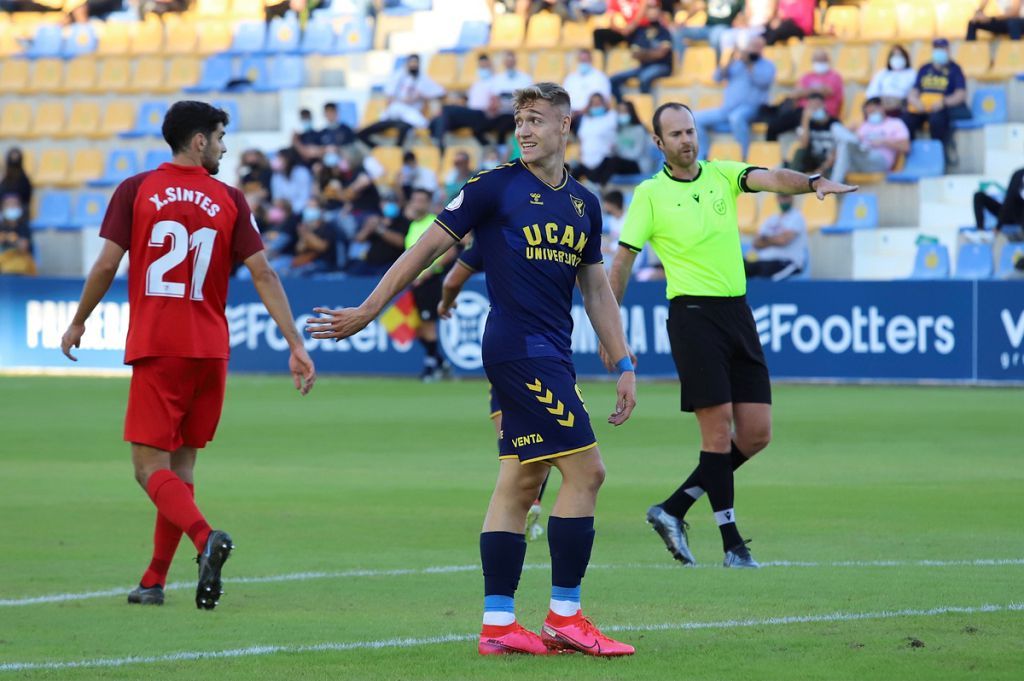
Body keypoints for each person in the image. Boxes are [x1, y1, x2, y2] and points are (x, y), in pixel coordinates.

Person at [307, 82, 637, 657]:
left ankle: (498, 624)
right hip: (518, 349)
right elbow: (424, 251)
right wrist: (369, 309)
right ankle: (565, 615)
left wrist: (624, 360)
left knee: (521, 481)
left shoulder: (584, 203)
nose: (524, 129)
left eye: (536, 119)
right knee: (588, 474)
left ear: (566, 125)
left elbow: (596, 291)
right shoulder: (493, 187)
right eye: (519, 120)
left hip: (553, 351)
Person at [59, 101, 316, 609]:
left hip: (160, 346)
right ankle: (153, 580)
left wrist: (79, 318)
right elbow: (265, 273)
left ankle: (204, 540)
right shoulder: (230, 199)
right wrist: (295, 342)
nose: (224, 146)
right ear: (198, 141)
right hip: (210, 351)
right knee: (181, 469)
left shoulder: (136, 190)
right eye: (220, 136)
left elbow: (107, 264)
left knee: (146, 467)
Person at [605, 102, 855, 569]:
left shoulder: (721, 174)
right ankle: (732, 545)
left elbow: (772, 177)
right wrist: (610, 329)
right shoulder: (650, 194)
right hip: (693, 317)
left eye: (690, 131)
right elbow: (622, 263)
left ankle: (673, 509)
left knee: (757, 433)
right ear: (658, 143)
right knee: (717, 433)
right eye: (676, 134)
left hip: (737, 314)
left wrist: (813, 183)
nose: (686, 140)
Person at [438, 239, 550, 542]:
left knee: (510, 440)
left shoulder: (488, 240)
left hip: (507, 347)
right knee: (553, 435)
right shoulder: (549, 228)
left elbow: (452, 280)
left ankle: (514, 513)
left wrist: (446, 303)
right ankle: (534, 502)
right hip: (551, 346)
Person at [399, 188, 454, 381]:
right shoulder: (414, 225)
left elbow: (449, 252)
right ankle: (441, 362)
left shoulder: (435, 222)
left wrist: (428, 272)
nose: (418, 204)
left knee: (428, 324)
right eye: (415, 200)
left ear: (428, 203)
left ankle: (431, 368)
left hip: (429, 281)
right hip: (415, 283)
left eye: (422, 200)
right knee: (415, 326)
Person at [695, 35, 775, 161]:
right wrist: (729, 60)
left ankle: (743, 157)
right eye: (752, 46)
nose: (754, 49)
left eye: (757, 47)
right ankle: (702, 158)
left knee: (736, 117)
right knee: (694, 118)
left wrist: (749, 65)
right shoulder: (737, 63)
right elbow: (717, 77)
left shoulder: (767, 65)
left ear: (762, 49)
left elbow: (763, 81)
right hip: (726, 109)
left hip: (752, 109)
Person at [902, 38, 971, 166]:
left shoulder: (955, 69)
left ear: (948, 50)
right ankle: (909, 157)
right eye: (937, 48)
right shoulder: (924, 68)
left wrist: (943, 102)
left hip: (941, 107)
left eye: (943, 49)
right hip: (923, 107)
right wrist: (915, 101)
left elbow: (960, 94)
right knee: (906, 119)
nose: (940, 51)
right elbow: (914, 90)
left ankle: (938, 155)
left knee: (937, 120)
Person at [358, 55, 445, 148]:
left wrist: (421, 96)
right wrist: (401, 100)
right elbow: (389, 96)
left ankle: (396, 152)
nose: (413, 65)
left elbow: (440, 92)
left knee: (413, 126)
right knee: (363, 132)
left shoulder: (423, 79)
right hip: (395, 112)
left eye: (415, 63)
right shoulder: (399, 75)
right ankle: (377, 149)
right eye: (411, 63)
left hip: (410, 115)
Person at [765, 47, 844, 142]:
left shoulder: (835, 77)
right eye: (817, 60)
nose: (820, 62)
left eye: (823, 60)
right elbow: (795, 94)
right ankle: (772, 154)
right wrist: (816, 90)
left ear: (828, 61)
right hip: (802, 111)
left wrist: (805, 92)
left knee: (807, 127)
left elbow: (827, 91)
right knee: (773, 126)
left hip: (823, 114)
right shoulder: (807, 76)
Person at [830, 97, 910, 184]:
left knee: (847, 143)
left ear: (882, 108)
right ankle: (834, 187)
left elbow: (906, 147)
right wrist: (849, 131)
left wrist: (884, 141)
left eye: (873, 111)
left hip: (880, 160)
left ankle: (833, 187)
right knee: (836, 128)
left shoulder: (895, 123)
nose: (871, 115)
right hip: (860, 156)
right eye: (869, 113)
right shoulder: (865, 125)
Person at [430, 53, 499, 152]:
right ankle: (438, 145)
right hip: (470, 114)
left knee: (446, 109)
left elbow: (496, 103)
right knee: (440, 117)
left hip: (481, 114)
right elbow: (467, 99)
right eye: (481, 66)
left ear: (490, 66)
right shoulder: (477, 84)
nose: (483, 69)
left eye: (485, 66)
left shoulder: (496, 81)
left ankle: (438, 141)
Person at [609, 2, 674, 101]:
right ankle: (623, 106)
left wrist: (644, 54)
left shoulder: (664, 31)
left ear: (659, 13)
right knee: (613, 79)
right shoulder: (641, 31)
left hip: (663, 66)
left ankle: (646, 108)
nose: (652, 13)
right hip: (644, 66)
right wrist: (652, 53)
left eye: (654, 10)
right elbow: (635, 54)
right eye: (649, 10)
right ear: (645, 13)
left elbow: (661, 54)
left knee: (644, 78)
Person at [744, 194, 807, 279]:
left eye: (786, 196)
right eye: (781, 197)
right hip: (765, 260)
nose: (784, 200)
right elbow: (756, 242)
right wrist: (775, 239)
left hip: (787, 262)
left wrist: (766, 239)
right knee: (742, 265)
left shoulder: (797, 217)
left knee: (765, 272)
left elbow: (783, 241)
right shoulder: (772, 219)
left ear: (792, 198)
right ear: (777, 198)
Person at [590, 100, 650, 186]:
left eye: (624, 111)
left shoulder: (639, 129)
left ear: (631, 112)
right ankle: (593, 182)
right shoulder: (620, 130)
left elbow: (636, 154)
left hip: (638, 165)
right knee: (607, 159)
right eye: (619, 111)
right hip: (622, 162)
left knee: (614, 161)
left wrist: (619, 151)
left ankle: (599, 185)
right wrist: (614, 149)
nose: (621, 114)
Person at [786, 92, 838, 177]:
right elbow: (804, 145)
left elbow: (836, 151)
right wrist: (805, 120)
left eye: (817, 105)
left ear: (823, 106)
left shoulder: (834, 123)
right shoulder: (806, 124)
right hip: (813, 159)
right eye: (811, 106)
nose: (814, 109)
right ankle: (792, 179)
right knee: (799, 152)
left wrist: (821, 169)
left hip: (828, 161)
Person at [574, 93, 618, 183]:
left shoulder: (611, 116)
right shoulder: (585, 119)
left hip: (604, 160)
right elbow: (581, 138)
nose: (596, 105)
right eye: (593, 103)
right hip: (585, 160)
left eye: (598, 102)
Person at [562, 49, 613, 125]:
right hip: (571, 115)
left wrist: (581, 112)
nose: (583, 62)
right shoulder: (570, 78)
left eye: (585, 60)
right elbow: (563, 99)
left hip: (591, 115)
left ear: (591, 60)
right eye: (581, 60)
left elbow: (603, 100)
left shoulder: (601, 77)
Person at [865, 45, 916, 117]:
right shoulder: (882, 73)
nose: (897, 59)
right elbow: (871, 92)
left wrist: (898, 101)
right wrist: (880, 101)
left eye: (900, 56)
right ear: (889, 58)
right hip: (881, 103)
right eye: (894, 56)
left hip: (900, 104)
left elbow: (913, 92)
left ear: (905, 58)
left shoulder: (912, 73)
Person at [973, 167, 1024, 231]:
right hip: (1009, 215)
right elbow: (1009, 199)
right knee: (979, 196)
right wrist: (998, 226)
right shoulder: (1018, 174)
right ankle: (980, 231)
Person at [0, 194, 36, 275]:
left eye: (14, 204)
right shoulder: (1, 225)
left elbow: (24, 247)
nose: (12, 207)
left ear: (19, 207)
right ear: (3, 208)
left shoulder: (23, 226)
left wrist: (15, 240)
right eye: (9, 204)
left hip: (19, 264)